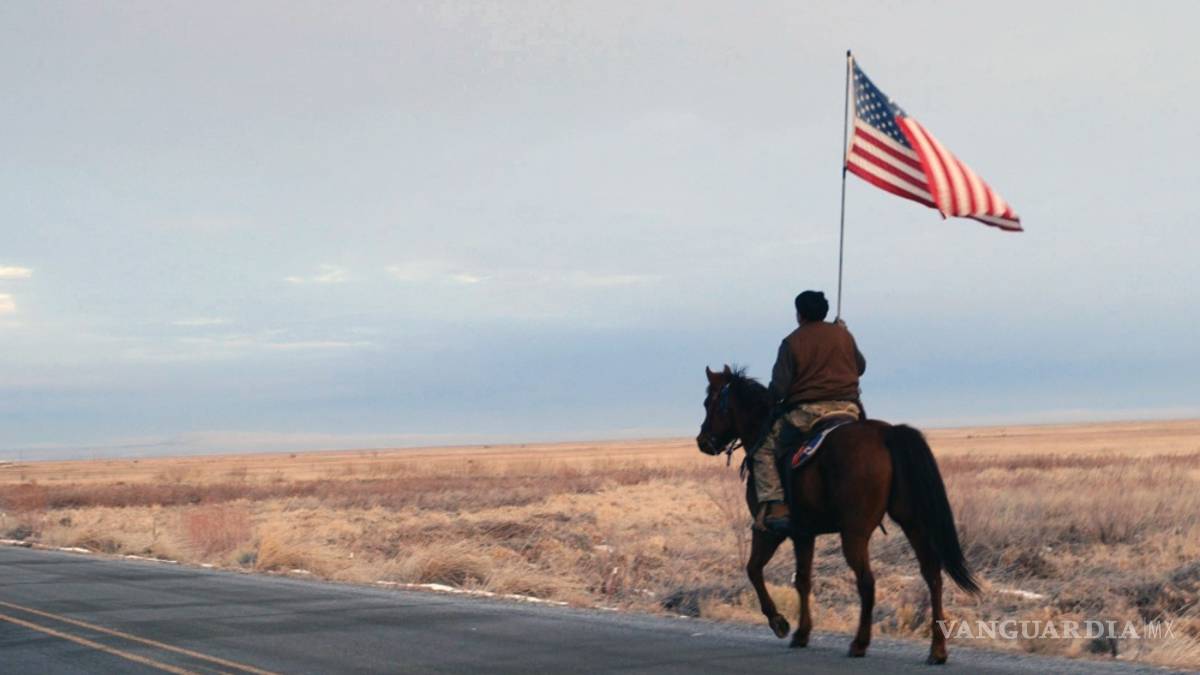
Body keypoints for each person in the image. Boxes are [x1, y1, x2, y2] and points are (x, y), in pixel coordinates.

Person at [752, 290, 866, 533]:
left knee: (763, 449)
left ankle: (776, 506)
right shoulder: (843, 335)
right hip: (849, 410)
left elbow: (779, 387)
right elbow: (861, 366)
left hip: (810, 413)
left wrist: (771, 402)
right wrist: (845, 333)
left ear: (799, 314)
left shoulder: (792, 342)